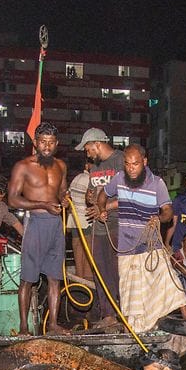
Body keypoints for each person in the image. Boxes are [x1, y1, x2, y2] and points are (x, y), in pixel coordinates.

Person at [98, 144, 186, 332]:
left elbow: (168, 211)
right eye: (128, 164)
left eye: (136, 164)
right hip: (127, 246)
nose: (131, 168)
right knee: (129, 290)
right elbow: (102, 195)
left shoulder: (157, 183)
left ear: (144, 162)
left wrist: (159, 218)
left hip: (151, 243)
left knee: (167, 279)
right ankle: (134, 329)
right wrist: (102, 210)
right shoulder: (119, 179)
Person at [7, 122, 69, 335]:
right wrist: (42, 205)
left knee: (55, 278)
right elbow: (13, 200)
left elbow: (61, 192)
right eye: (42, 142)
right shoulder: (23, 166)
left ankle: (52, 324)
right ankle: (24, 327)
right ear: (35, 142)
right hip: (35, 223)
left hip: (56, 225)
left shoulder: (61, 166)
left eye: (51, 143)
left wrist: (65, 199)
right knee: (28, 278)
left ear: (56, 144)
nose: (47, 147)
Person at [76, 127, 124, 329]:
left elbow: (131, 196)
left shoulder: (121, 161)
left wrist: (106, 207)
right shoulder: (95, 168)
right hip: (98, 227)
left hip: (118, 226)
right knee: (100, 271)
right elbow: (92, 193)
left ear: (96, 144)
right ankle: (108, 314)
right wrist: (89, 197)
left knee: (120, 272)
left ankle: (125, 312)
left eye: (87, 148)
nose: (87, 153)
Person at [66, 162, 93, 279]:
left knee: (77, 248)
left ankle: (79, 278)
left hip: (74, 219)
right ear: (87, 166)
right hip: (86, 219)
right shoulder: (91, 180)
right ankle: (88, 279)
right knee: (88, 251)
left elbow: (68, 196)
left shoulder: (76, 178)